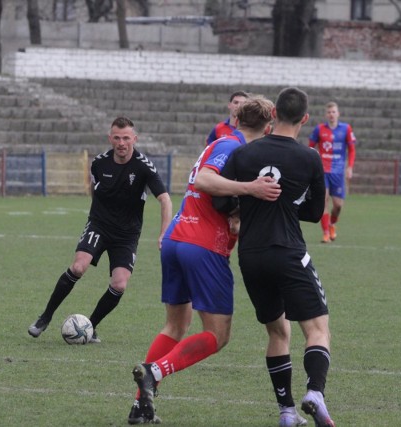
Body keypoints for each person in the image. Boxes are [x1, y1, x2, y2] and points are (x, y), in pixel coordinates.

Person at [130, 97, 292, 424]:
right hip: (202, 245)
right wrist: (251, 188)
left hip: (178, 237)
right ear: (268, 127)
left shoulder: (222, 140)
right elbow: (205, 180)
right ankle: (154, 371)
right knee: (217, 335)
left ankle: (139, 407)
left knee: (176, 326)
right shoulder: (233, 147)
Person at [212, 87, 334, 427]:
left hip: (251, 255)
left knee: (278, 333)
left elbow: (221, 201)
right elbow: (312, 212)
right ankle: (315, 392)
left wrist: (243, 207)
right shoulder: (309, 158)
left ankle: (286, 412)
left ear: (274, 114)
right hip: (288, 251)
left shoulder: (244, 154)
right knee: (317, 329)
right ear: (305, 119)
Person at [28, 117, 173, 342]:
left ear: (135, 138)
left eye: (126, 138)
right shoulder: (99, 163)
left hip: (127, 234)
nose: (121, 142)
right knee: (78, 267)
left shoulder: (144, 167)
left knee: (120, 284)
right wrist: (97, 217)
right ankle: (45, 317)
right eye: (117, 138)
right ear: (110, 138)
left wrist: (164, 232)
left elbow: (165, 200)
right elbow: (96, 191)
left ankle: (89, 327)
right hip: (99, 225)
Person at [308, 101, 357, 243]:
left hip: (338, 171)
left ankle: (332, 224)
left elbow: (352, 150)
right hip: (323, 171)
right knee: (324, 200)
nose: (331, 114)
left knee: (338, 205)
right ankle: (325, 234)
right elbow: (310, 147)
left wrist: (350, 167)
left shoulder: (346, 129)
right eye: (329, 112)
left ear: (338, 113)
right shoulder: (319, 129)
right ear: (326, 114)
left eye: (333, 112)